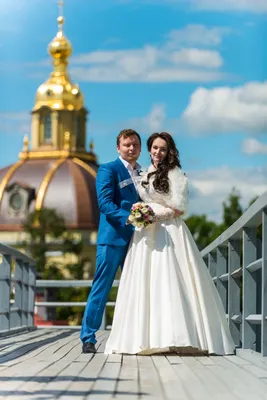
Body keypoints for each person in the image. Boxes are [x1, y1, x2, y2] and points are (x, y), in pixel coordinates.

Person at [105, 132, 235, 355]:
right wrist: (140, 212)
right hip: (145, 234)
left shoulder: (175, 174)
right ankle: (146, 337)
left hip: (169, 231)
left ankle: (180, 335)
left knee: (172, 280)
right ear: (150, 150)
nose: (158, 152)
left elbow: (179, 207)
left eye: (162, 149)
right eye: (154, 148)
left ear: (169, 151)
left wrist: (155, 215)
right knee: (147, 282)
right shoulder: (146, 172)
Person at [80, 128, 142, 353]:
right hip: (112, 240)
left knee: (137, 287)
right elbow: (105, 204)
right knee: (102, 288)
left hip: (136, 241)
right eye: (127, 145)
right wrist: (129, 218)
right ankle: (88, 337)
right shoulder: (108, 169)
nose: (131, 148)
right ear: (118, 147)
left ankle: (135, 335)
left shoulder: (142, 173)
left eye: (135, 144)